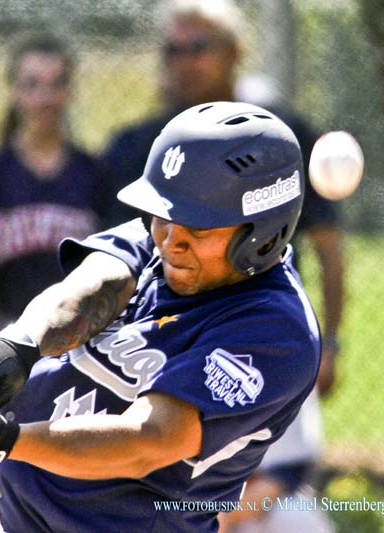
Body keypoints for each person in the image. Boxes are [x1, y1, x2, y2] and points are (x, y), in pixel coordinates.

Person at [0, 101, 322, 532]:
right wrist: (18, 344)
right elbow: (91, 284)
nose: (170, 241)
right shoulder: (163, 245)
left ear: (263, 237)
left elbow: (147, 441)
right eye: (163, 216)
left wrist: (8, 441)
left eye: (199, 227)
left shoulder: (276, 330)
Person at [103, 0, 343, 399]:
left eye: (198, 47)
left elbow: (329, 246)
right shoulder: (138, 146)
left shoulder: (277, 140)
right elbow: (115, 249)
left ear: (233, 52)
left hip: (264, 334)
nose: (184, 61)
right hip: (162, 343)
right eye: (173, 51)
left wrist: (331, 342)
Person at [0, 32, 113, 332]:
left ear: (70, 91)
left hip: (79, 337)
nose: (44, 99)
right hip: (9, 332)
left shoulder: (95, 175)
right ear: (13, 91)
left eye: (55, 84)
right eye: (31, 85)